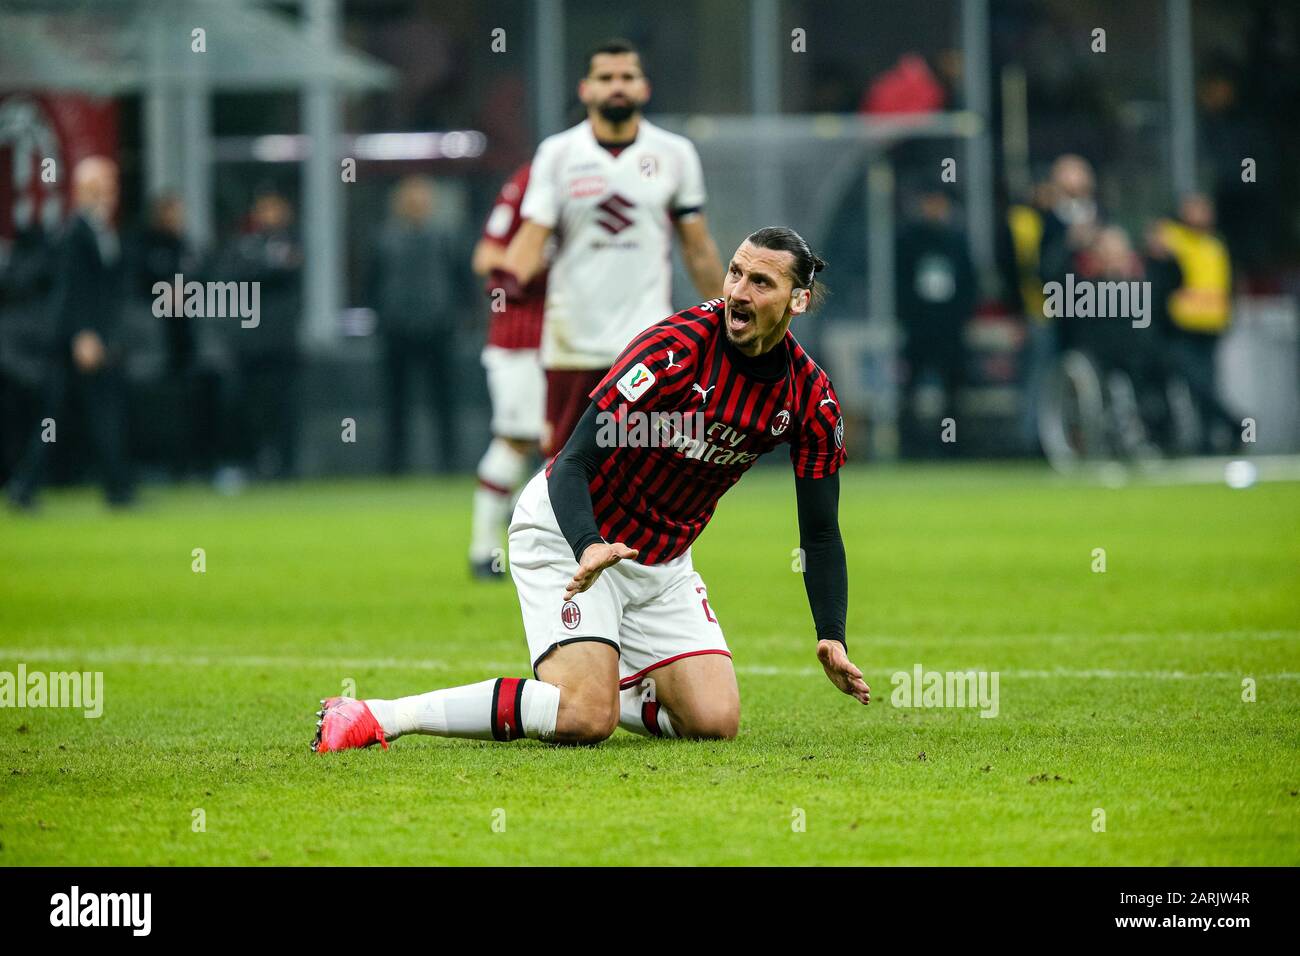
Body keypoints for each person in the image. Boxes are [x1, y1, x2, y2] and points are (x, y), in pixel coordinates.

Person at [313, 227, 868, 752]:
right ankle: (378, 715)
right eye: (734, 273)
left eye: (760, 282)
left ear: (797, 301)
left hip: (662, 561)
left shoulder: (811, 399)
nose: (737, 292)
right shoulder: (672, 352)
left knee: (714, 722)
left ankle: (600, 676)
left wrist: (832, 634)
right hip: (569, 532)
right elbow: (574, 459)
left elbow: (819, 533)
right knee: (583, 718)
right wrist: (588, 543)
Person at [499, 37, 725, 458]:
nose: (616, 86)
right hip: (573, 345)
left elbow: (697, 249)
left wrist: (728, 317)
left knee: (650, 464)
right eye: (605, 78)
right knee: (566, 469)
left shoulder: (676, 154)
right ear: (586, 89)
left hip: (650, 344)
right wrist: (508, 290)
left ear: (644, 88)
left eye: (627, 77)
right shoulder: (557, 154)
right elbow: (530, 243)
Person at [6, 156, 134, 509]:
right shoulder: (74, 232)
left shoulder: (103, 231)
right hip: (73, 343)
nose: (110, 191)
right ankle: (24, 487)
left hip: (96, 338)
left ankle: (118, 489)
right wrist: (83, 334)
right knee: (54, 417)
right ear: (83, 190)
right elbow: (71, 289)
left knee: (103, 414)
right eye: (102, 185)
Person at [467, 164, 548, 578]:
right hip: (520, 340)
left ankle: (526, 521)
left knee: (565, 445)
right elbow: (485, 256)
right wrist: (536, 259)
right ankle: (483, 551)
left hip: (570, 339)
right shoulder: (528, 181)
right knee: (515, 441)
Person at [367, 176, 463, 475]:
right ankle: (394, 466)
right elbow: (371, 284)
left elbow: (461, 281)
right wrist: (383, 317)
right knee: (396, 403)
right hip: (397, 331)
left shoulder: (446, 237)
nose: (417, 204)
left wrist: (454, 316)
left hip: (438, 329)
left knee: (445, 402)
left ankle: (450, 463)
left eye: (422, 198)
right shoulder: (384, 238)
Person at [221, 190, 303, 480]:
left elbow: (286, 271)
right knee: (246, 405)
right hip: (249, 340)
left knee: (284, 405)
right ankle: (251, 462)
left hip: (281, 340)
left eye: (275, 209)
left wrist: (263, 269)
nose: (270, 215)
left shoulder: (293, 241)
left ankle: (286, 466)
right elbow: (238, 273)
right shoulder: (244, 244)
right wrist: (269, 268)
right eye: (264, 209)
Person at [895, 189, 977, 458]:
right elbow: (901, 284)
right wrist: (910, 316)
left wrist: (959, 317)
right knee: (911, 389)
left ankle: (951, 443)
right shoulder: (910, 240)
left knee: (953, 390)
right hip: (919, 328)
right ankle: (911, 445)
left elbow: (969, 283)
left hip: (949, 329)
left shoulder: (956, 240)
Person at [1155, 193, 1239, 452]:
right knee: (1195, 382)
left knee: (1207, 384)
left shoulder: (1215, 244)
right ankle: (1234, 424)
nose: (1202, 215)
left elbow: (1225, 282)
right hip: (1182, 325)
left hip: (1212, 325)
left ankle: (1207, 440)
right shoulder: (1171, 239)